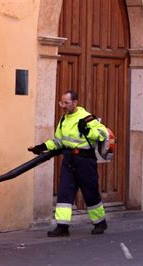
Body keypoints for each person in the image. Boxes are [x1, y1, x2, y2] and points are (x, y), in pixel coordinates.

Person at [28, 90, 108, 237]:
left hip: (85, 161)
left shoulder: (86, 118)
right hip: (69, 161)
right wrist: (42, 147)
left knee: (90, 193)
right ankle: (62, 226)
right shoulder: (63, 120)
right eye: (61, 102)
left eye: (66, 103)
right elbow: (58, 142)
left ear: (75, 103)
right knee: (64, 193)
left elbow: (103, 134)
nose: (63, 106)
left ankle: (100, 223)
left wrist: (88, 131)